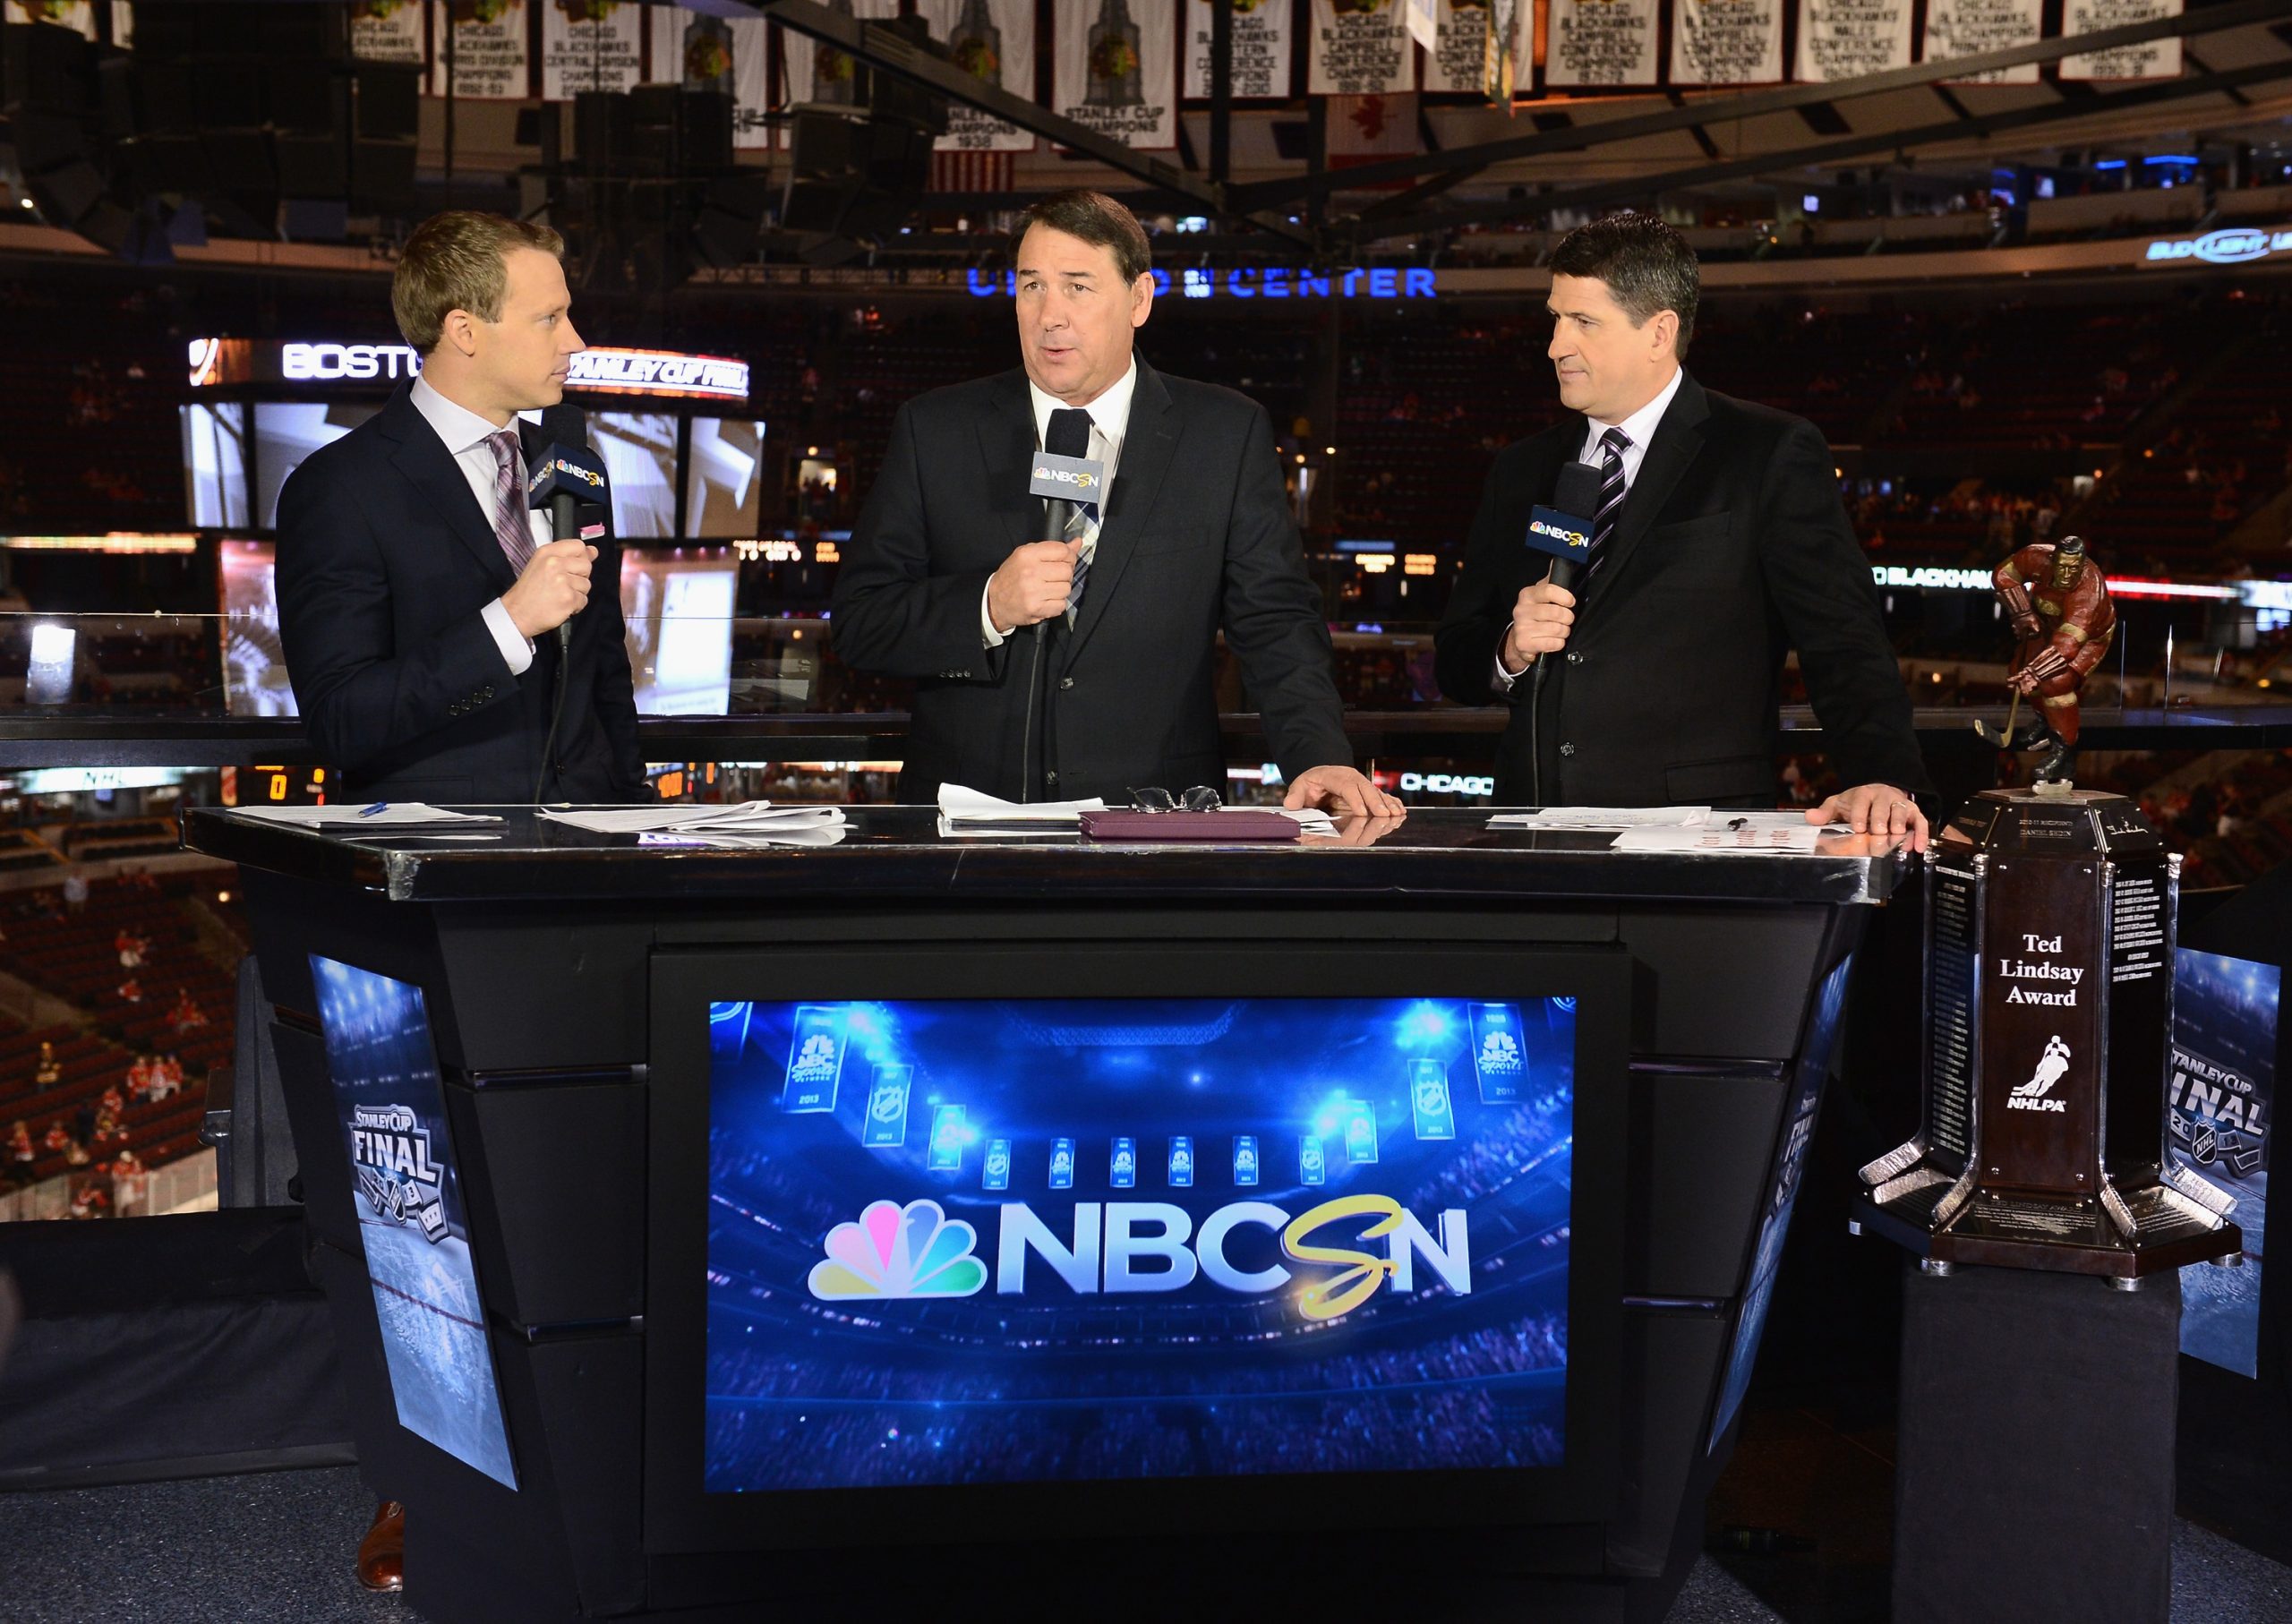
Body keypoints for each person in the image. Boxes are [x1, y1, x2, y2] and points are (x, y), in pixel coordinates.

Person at [833, 190, 1398, 817]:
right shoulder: (935, 429)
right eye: (1032, 287)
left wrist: (1317, 754)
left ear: (1139, 299)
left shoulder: (1223, 434)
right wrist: (987, 604)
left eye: (1077, 287)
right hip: (971, 827)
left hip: (1156, 827)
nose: (1050, 315)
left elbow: (1275, 621)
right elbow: (861, 621)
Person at [1434, 213, 1930, 844]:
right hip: (1532, 835)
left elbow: (1843, 638)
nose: (1556, 344)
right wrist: (1509, 649)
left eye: (1583, 322)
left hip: (1695, 840)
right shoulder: (1523, 468)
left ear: (1659, 332)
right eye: (1556, 318)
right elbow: (1455, 652)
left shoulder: (1765, 452)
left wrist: (1883, 776)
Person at [276, 210, 644, 805]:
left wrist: (632, 806)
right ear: (465, 332)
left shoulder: (577, 466)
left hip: (591, 853)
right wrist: (510, 621)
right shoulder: (339, 488)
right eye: (549, 318)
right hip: (446, 865)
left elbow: (604, 666)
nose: (574, 340)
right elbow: (341, 719)